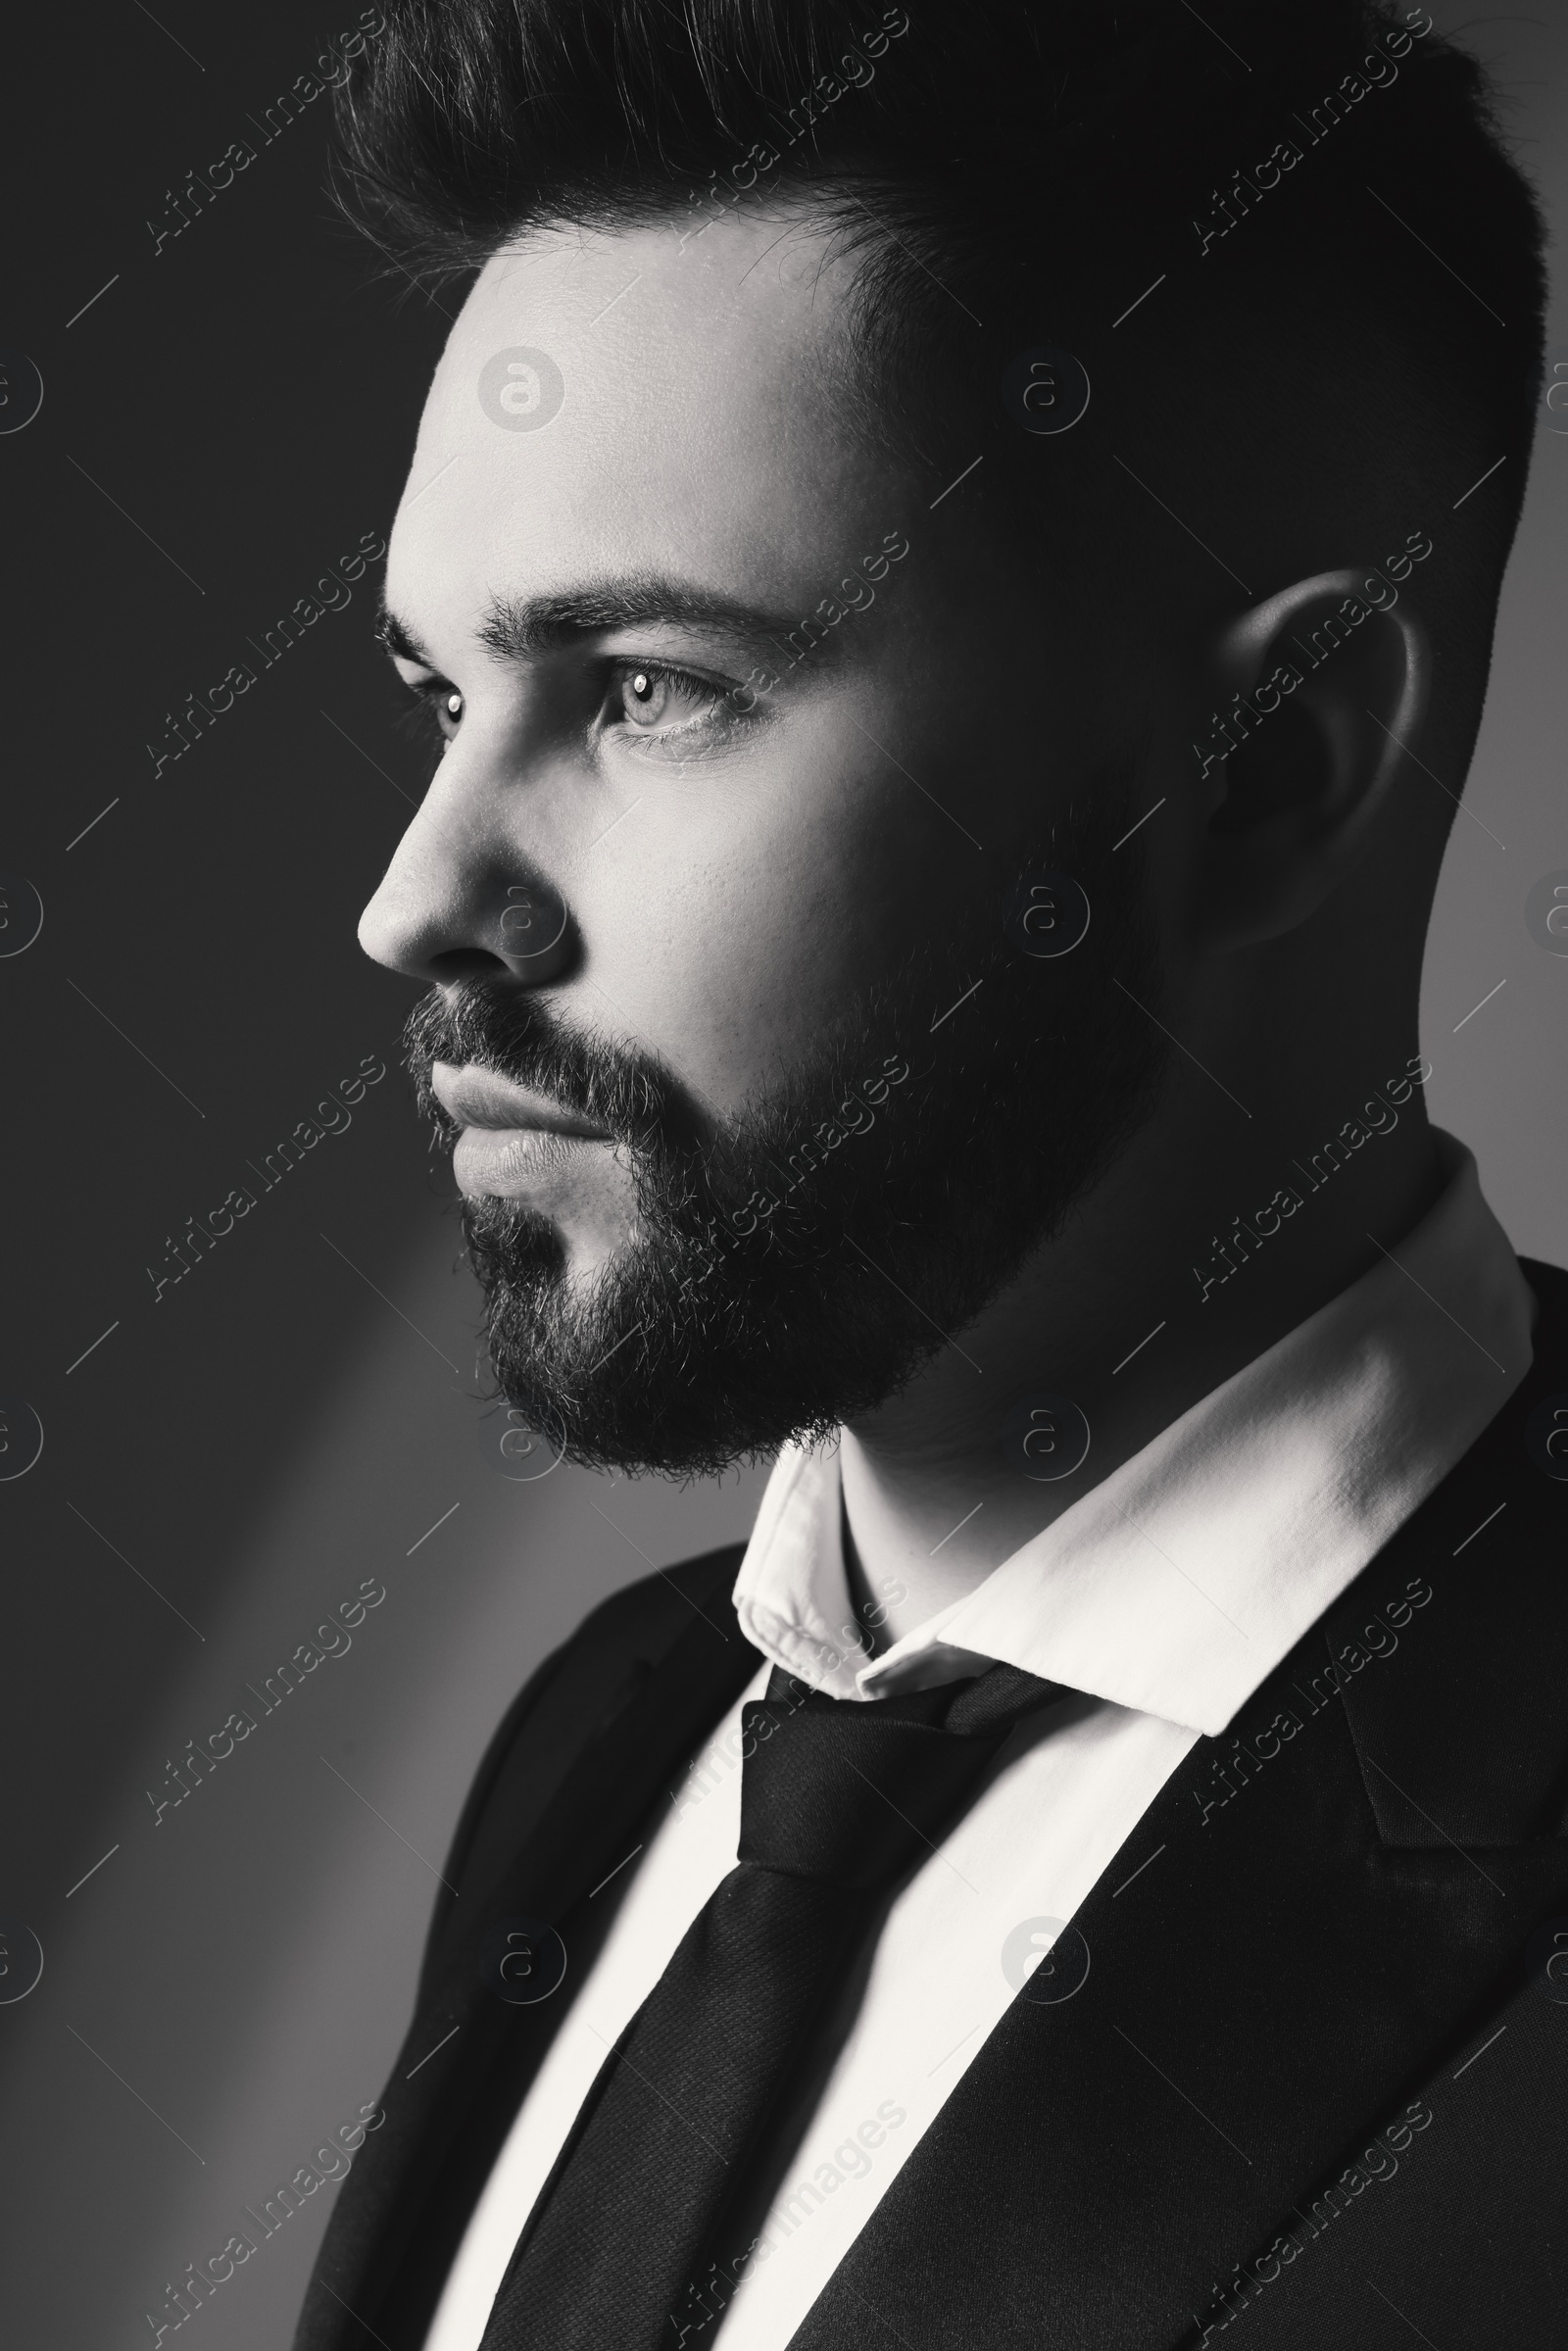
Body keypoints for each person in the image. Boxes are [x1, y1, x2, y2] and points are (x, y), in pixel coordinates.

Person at [298, 3, 1568, 2345]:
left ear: (1274, 764)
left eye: (648, 688)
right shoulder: (607, 1742)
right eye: (436, 695)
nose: (416, 897)